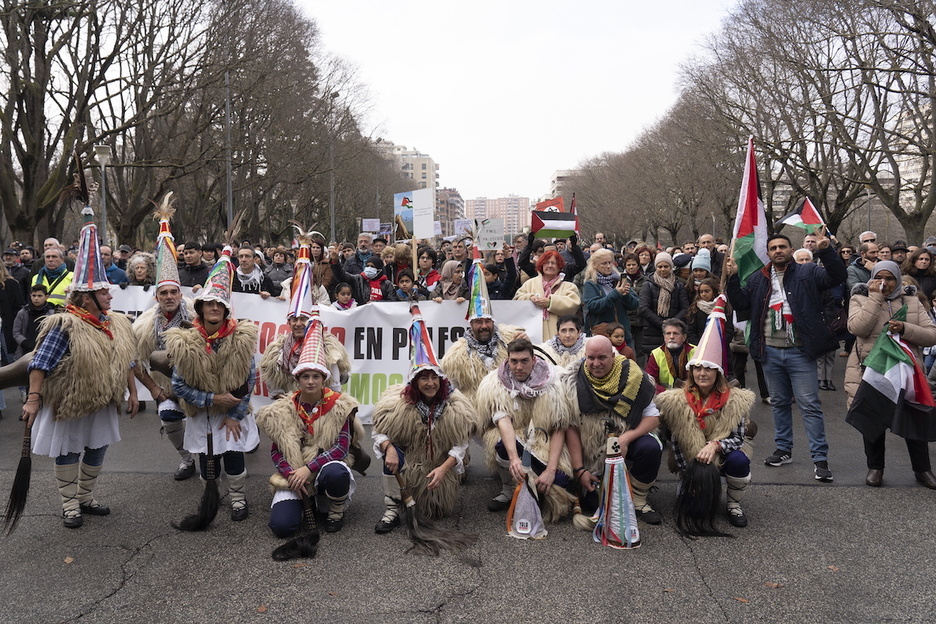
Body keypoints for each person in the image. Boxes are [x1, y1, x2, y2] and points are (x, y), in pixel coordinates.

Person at [22, 209, 138, 528]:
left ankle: (86, 497)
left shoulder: (114, 322)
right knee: (70, 449)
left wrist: (132, 391)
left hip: (101, 400)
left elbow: (125, 357)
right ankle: (69, 504)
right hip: (71, 402)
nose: (110, 293)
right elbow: (40, 363)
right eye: (103, 291)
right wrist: (33, 398)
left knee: (98, 447)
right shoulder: (64, 325)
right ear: (87, 297)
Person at [726, 231, 846, 482]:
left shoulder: (809, 272)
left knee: (809, 406)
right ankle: (783, 449)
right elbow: (742, 305)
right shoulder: (759, 278)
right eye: (773, 248)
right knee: (779, 403)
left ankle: (820, 458)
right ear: (768, 253)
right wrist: (733, 277)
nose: (778, 250)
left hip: (800, 352)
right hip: (770, 351)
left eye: (783, 246)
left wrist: (826, 251)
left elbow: (837, 276)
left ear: (791, 249)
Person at [165, 248, 260, 523]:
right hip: (204, 412)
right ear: (201, 308)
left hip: (233, 412)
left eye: (219, 304)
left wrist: (234, 415)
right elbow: (179, 386)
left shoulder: (242, 339)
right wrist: (212, 399)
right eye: (209, 304)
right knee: (208, 460)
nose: (214, 308)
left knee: (233, 456)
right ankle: (212, 496)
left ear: (226, 309)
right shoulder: (186, 341)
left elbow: (249, 380)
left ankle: (239, 498)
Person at [256, 315, 363, 537]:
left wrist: (309, 468)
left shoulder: (339, 405)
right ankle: (305, 499)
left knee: (336, 473)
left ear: (323, 379)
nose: (311, 381)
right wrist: (292, 474)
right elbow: (276, 452)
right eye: (306, 376)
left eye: (316, 376)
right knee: (283, 528)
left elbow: (341, 448)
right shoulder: (283, 409)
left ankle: (335, 507)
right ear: (298, 379)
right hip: (295, 471)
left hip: (322, 467)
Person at [371, 307, 476, 533]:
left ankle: (435, 487)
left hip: (440, 467)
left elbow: (461, 444)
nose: (430, 383)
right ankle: (391, 508)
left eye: (434, 377)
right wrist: (389, 448)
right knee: (392, 455)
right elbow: (378, 432)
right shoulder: (399, 405)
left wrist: (444, 468)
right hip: (411, 465)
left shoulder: (455, 406)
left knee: (437, 512)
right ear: (415, 383)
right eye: (424, 378)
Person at [847, 261, 936, 488]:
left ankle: (923, 470)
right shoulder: (859, 298)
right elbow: (857, 329)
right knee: (873, 418)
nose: (884, 283)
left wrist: (905, 329)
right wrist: (875, 298)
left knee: (914, 419)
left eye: (890, 279)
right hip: (871, 370)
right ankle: (875, 468)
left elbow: (931, 334)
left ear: (898, 280)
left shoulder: (912, 302)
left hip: (906, 372)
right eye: (879, 278)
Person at [655, 328, 755, 529]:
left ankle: (733, 504)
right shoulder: (677, 401)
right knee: (694, 511)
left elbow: (737, 439)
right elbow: (676, 443)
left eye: (708, 369)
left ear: (717, 372)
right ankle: (688, 485)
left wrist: (715, 446)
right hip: (690, 458)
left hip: (722, 453)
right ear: (691, 372)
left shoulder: (735, 400)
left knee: (739, 459)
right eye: (698, 368)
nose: (702, 373)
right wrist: (692, 475)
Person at [563, 336, 663, 524]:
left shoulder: (635, 377)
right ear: (585, 356)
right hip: (591, 451)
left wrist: (625, 439)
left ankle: (639, 500)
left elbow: (653, 418)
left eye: (602, 358)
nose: (596, 363)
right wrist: (579, 470)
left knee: (650, 448)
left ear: (613, 356)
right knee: (592, 505)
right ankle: (603, 485)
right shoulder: (572, 381)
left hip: (626, 439)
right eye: (591, 358)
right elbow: (571, 427)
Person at [131, 205, 199, 480]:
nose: (169, 297)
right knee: (168, 415)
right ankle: (186, 459)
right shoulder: (144, 325)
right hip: (168, 387)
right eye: (164, 293)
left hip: (202, 384)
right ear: (157, 297)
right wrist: (153, 390)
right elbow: (133, 360)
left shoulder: (198, 314)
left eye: (174, 292)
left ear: (180, 294)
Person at [475, 338, 575, 520]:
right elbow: (502, 419)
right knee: (501, 446)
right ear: (507, 360)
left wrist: (551, 469)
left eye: (524, 361)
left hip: (545, 439)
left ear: (534, 360)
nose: (518, 367)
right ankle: (509, 489)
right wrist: (514, 459)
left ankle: (537, 488)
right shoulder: (496, 383)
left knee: (560, 482)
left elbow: (559, 427)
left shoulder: (554, 381)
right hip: (514, 435)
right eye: (514, 361)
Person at [513, 250, 582, 339]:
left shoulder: (569, 286)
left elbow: (573, 305)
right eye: (547, 263)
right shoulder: (529, 283)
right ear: (541, 265)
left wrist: (550, 302)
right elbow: (516, 300)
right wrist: (530, 298)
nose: (550, 265)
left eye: (553, 263)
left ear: (559, 266)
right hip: (532, 336)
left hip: (561, 338)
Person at [638, 252, 689, 359]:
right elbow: (643, 308)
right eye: (659, 266)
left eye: (666, 266)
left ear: (670, 267)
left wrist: (672, 324)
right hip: (652, 331)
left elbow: (685, 308)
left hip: (674, 332)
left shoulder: (679, 285)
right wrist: (662, 324)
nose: (662, 269)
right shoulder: (648, 284)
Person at [582, 248, 638, 346]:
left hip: (622, 335)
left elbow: (635, 304)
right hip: (602, 335)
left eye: (610, 262)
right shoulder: (591, 284)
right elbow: (594, 306)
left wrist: (626, 295)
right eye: (604, 263)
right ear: (595, 265)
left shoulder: (619, 279)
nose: (608, 266)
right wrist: (616, 293)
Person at [645, 318, 696, 394]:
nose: (671, 337)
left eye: (676, 334)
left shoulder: (696, 352)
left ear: (684, 337)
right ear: (664, 336)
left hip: (692, 394)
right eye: (668, 333)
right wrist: (667, 394)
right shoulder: (656, 354)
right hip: (664, 397)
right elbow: (650, 380)